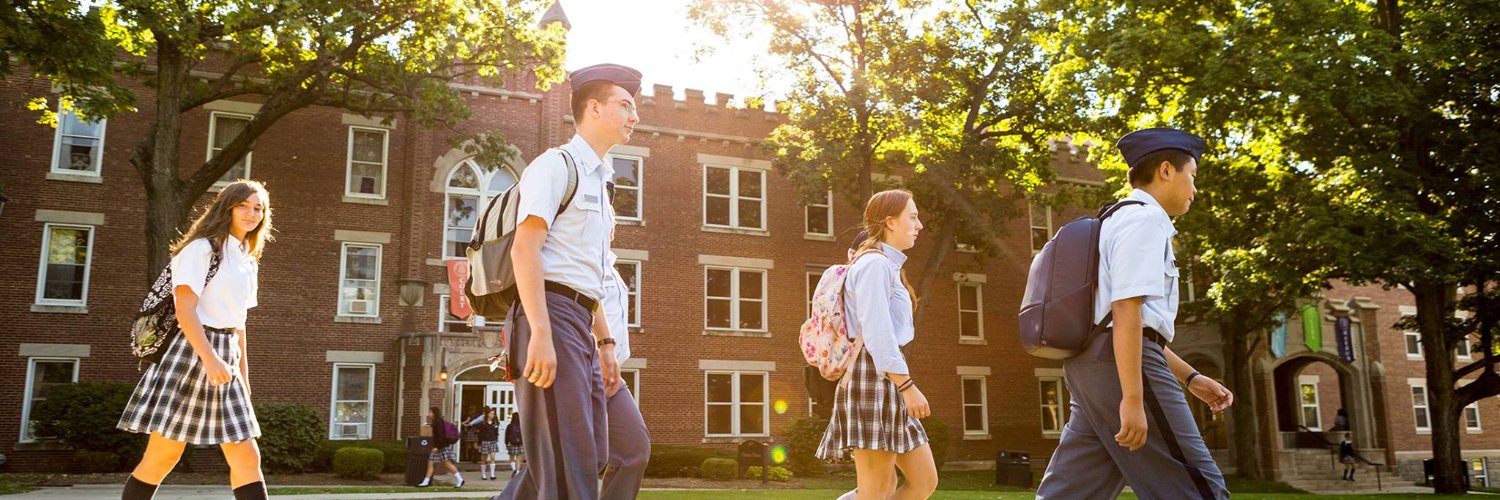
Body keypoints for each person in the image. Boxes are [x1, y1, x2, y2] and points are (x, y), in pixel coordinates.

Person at [1036, 127, 1234, 499]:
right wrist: (1132, 398)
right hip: (1123, 368)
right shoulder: (1145, 221)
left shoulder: (1115, 219)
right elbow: (1126, 310)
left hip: (1091, 365)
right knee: (1197, 487)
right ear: (1165, 170)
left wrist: (1191, 378)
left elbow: (1132, 324)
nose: (1194, 189)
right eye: (1192, 176)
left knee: (1071, 494)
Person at [493, 62, 640, 500]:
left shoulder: (603, 180)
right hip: (550, 316)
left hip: (579, 322)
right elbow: (525, 249)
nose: (635, 117)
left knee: (587, 456)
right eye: (625, 105)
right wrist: (540, 332)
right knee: (568, 464)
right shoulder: (555, 165)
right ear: (593, 108)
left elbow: (589, 277)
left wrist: (607, 344)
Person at [117, 179, 274, 500]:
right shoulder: (201, 249)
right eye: (243, 205)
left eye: (258, 208)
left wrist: (243, 376)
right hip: (192, 353)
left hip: (226, 356)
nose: (251, 213)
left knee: (246, 455)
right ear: (226, 207)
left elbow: (239, 324)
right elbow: (184, 309)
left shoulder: (246, 259)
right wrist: (209, 357)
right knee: (162, 457)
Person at [816, 189, 938, 500]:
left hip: (887, 379)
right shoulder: (874, 265)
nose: (919, 224)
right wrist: (907, 384)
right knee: (876, 491)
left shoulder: (887, 265)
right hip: (872, 378)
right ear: (890, 222)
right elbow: (877, 332)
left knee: (924, 481)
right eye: (912, 216)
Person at [420, 406, 465, 488]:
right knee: (434, 463)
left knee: (445, 464)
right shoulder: (437, 421)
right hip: (441, 446)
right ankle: (425, 481)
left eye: (430, 412)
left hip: (441, 447)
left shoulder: (437, 422)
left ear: (434, 413)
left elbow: (441, 436)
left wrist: (436, 447)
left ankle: (459, 479)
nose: (429, 414)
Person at [467, 409, 502, 480]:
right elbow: (478, 430)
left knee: (492, 458)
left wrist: (496, 438)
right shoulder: (483, 424)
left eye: (493, 413)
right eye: (491, 413)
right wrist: (480, 441)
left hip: (493, 441)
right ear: (488, 414)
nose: (492, 415)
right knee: (484, 459)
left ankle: (492, 475)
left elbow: (496, 432)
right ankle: (483, 474)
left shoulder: (495, 423)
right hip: (485, 441)